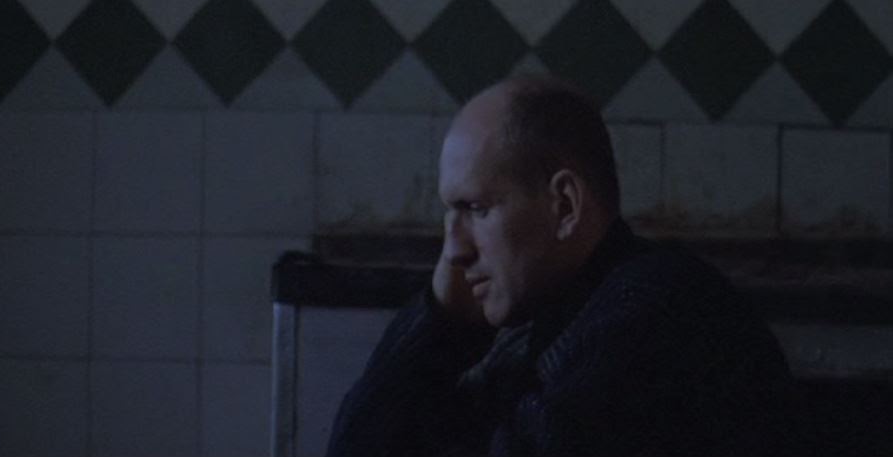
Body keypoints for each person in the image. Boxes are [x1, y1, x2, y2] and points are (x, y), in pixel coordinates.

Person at [327, 75, 808, 457]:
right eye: (450, 213)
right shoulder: (561, 317)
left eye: (476, 209)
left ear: (565, 205)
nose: (453, 250)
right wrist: (440, 319)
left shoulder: (655, 315)